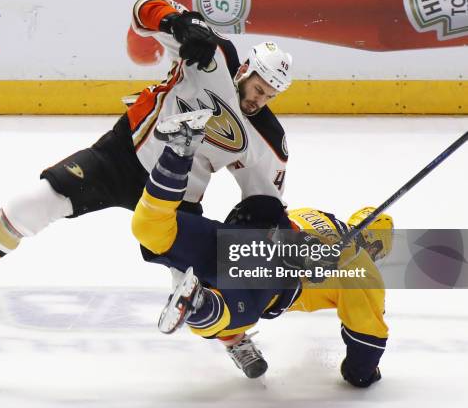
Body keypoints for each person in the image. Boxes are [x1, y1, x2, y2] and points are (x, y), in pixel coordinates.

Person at [0, 0, 293, 309]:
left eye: (270, 96)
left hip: (175, 195)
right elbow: (143, 9)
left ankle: (237, 339)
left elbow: (263, 202)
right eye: (259, 88)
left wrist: (268, 233)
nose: (260, 100)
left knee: (194, 289)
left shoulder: (266, 138)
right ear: (244, 71)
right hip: (120, 158)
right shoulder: (211, 53)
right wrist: (174, 22)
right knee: (34, 201)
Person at [131, 111, 393, 387]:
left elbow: (274, 216)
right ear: (376, 246)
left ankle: (178, 152)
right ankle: (201, 304)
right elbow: (366, 344)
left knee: (152, 228)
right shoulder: (364, 273)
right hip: (271, 275)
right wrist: (363, 373)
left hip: (236, 239)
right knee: (221, 314)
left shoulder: (316, 214)